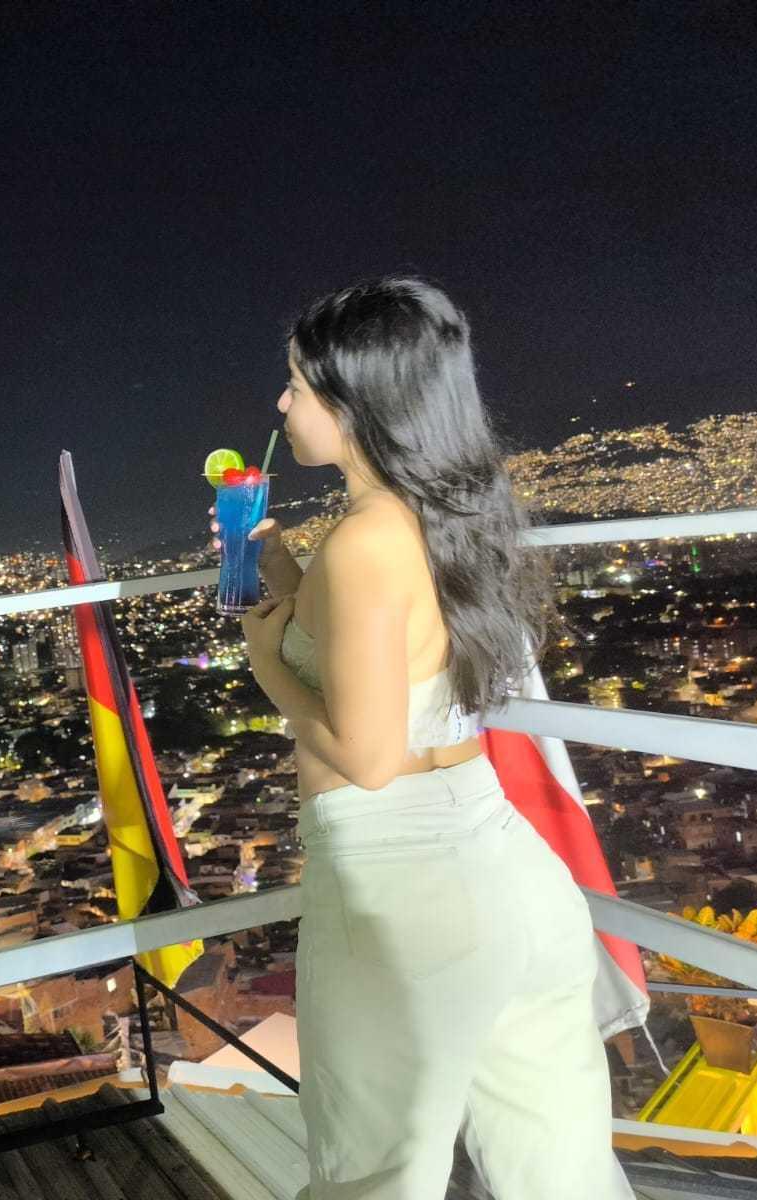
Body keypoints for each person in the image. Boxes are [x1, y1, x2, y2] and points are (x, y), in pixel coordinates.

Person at [210, 276, 632, 1199]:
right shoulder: (445, 513)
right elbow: (388, 649)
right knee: (561, 1175)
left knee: (377, 1177)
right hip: (510, 873)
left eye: (297, 385)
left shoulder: (363, 541)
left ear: (353, 402)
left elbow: (367, 759)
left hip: (402, 896)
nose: (281, 404)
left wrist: (263, 660)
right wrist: (281, 568)